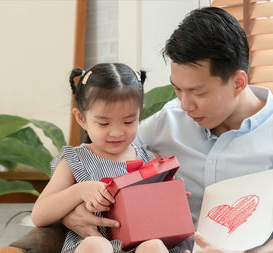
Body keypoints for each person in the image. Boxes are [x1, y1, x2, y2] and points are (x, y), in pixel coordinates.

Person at [63, 7, 273, 253]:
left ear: (238, 82)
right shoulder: (169, 120)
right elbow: (99, 160)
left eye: (197, 92)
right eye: (177, 89)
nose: (185, 104)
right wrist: (70, 212)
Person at [31, 63, 178, 253]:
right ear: (81, 118)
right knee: (97, 245)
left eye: (128, 121)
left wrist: (171, 199)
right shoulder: (75, 160)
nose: (116, 132)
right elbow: (39, 214)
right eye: (103, 123)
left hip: (137, 246)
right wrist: (79, 190)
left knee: (154, 246)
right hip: (93, 245)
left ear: (139, 113)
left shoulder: (150, 158)